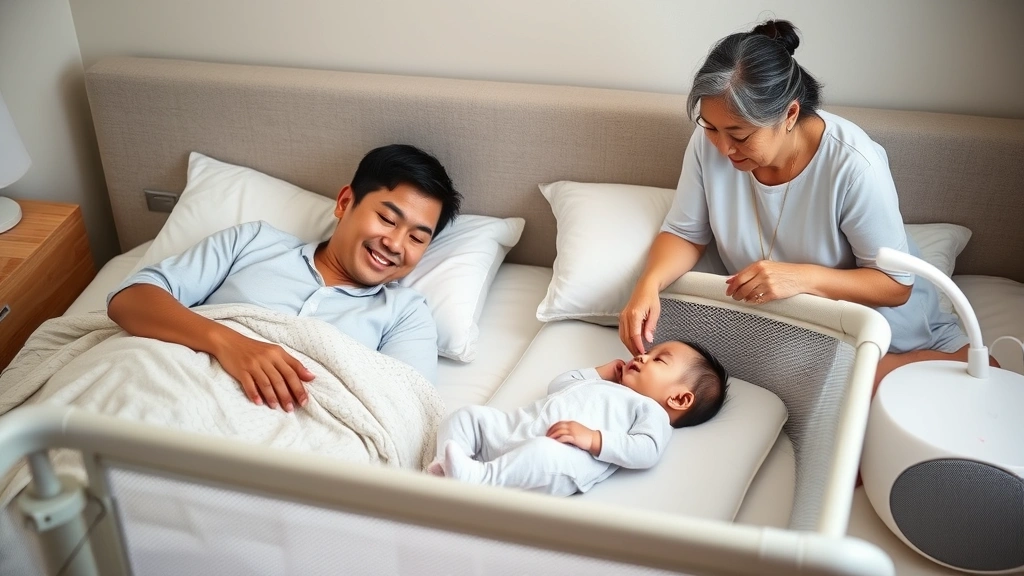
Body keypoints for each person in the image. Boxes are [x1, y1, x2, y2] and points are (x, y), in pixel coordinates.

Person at [619, 20, 988, 391]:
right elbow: (686, 232)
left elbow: (895, 286)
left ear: (791, 115)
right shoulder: (709, 143)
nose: (722, 147)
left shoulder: (855, 165)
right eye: (710, 127)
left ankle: (938, 360)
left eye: (740, 136)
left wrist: (799, 277)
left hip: (873, 313)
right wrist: (649, 283)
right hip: (789, 318)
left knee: (836, 391)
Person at [107, 144, 462, 412]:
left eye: (417, 238)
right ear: (344, 202)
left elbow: (405, 411)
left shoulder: (405, 313)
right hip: (166, 393)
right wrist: (229, 343)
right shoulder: (253, 243)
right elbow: (131, 299)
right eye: (387, 219)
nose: (395, 244)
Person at [427, 341, 728, 496]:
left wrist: (594, 439)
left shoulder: (652, 413)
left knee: (540, 453)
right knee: (468, 416)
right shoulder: (606, 386)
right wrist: (600, 372)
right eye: (649, 351)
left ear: (679, 398)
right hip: (515, 428)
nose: (643, 356)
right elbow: (559, 385)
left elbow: (646, 449)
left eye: (658, 359)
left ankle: (480, 479)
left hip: (561, 456)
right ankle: (444, 465)